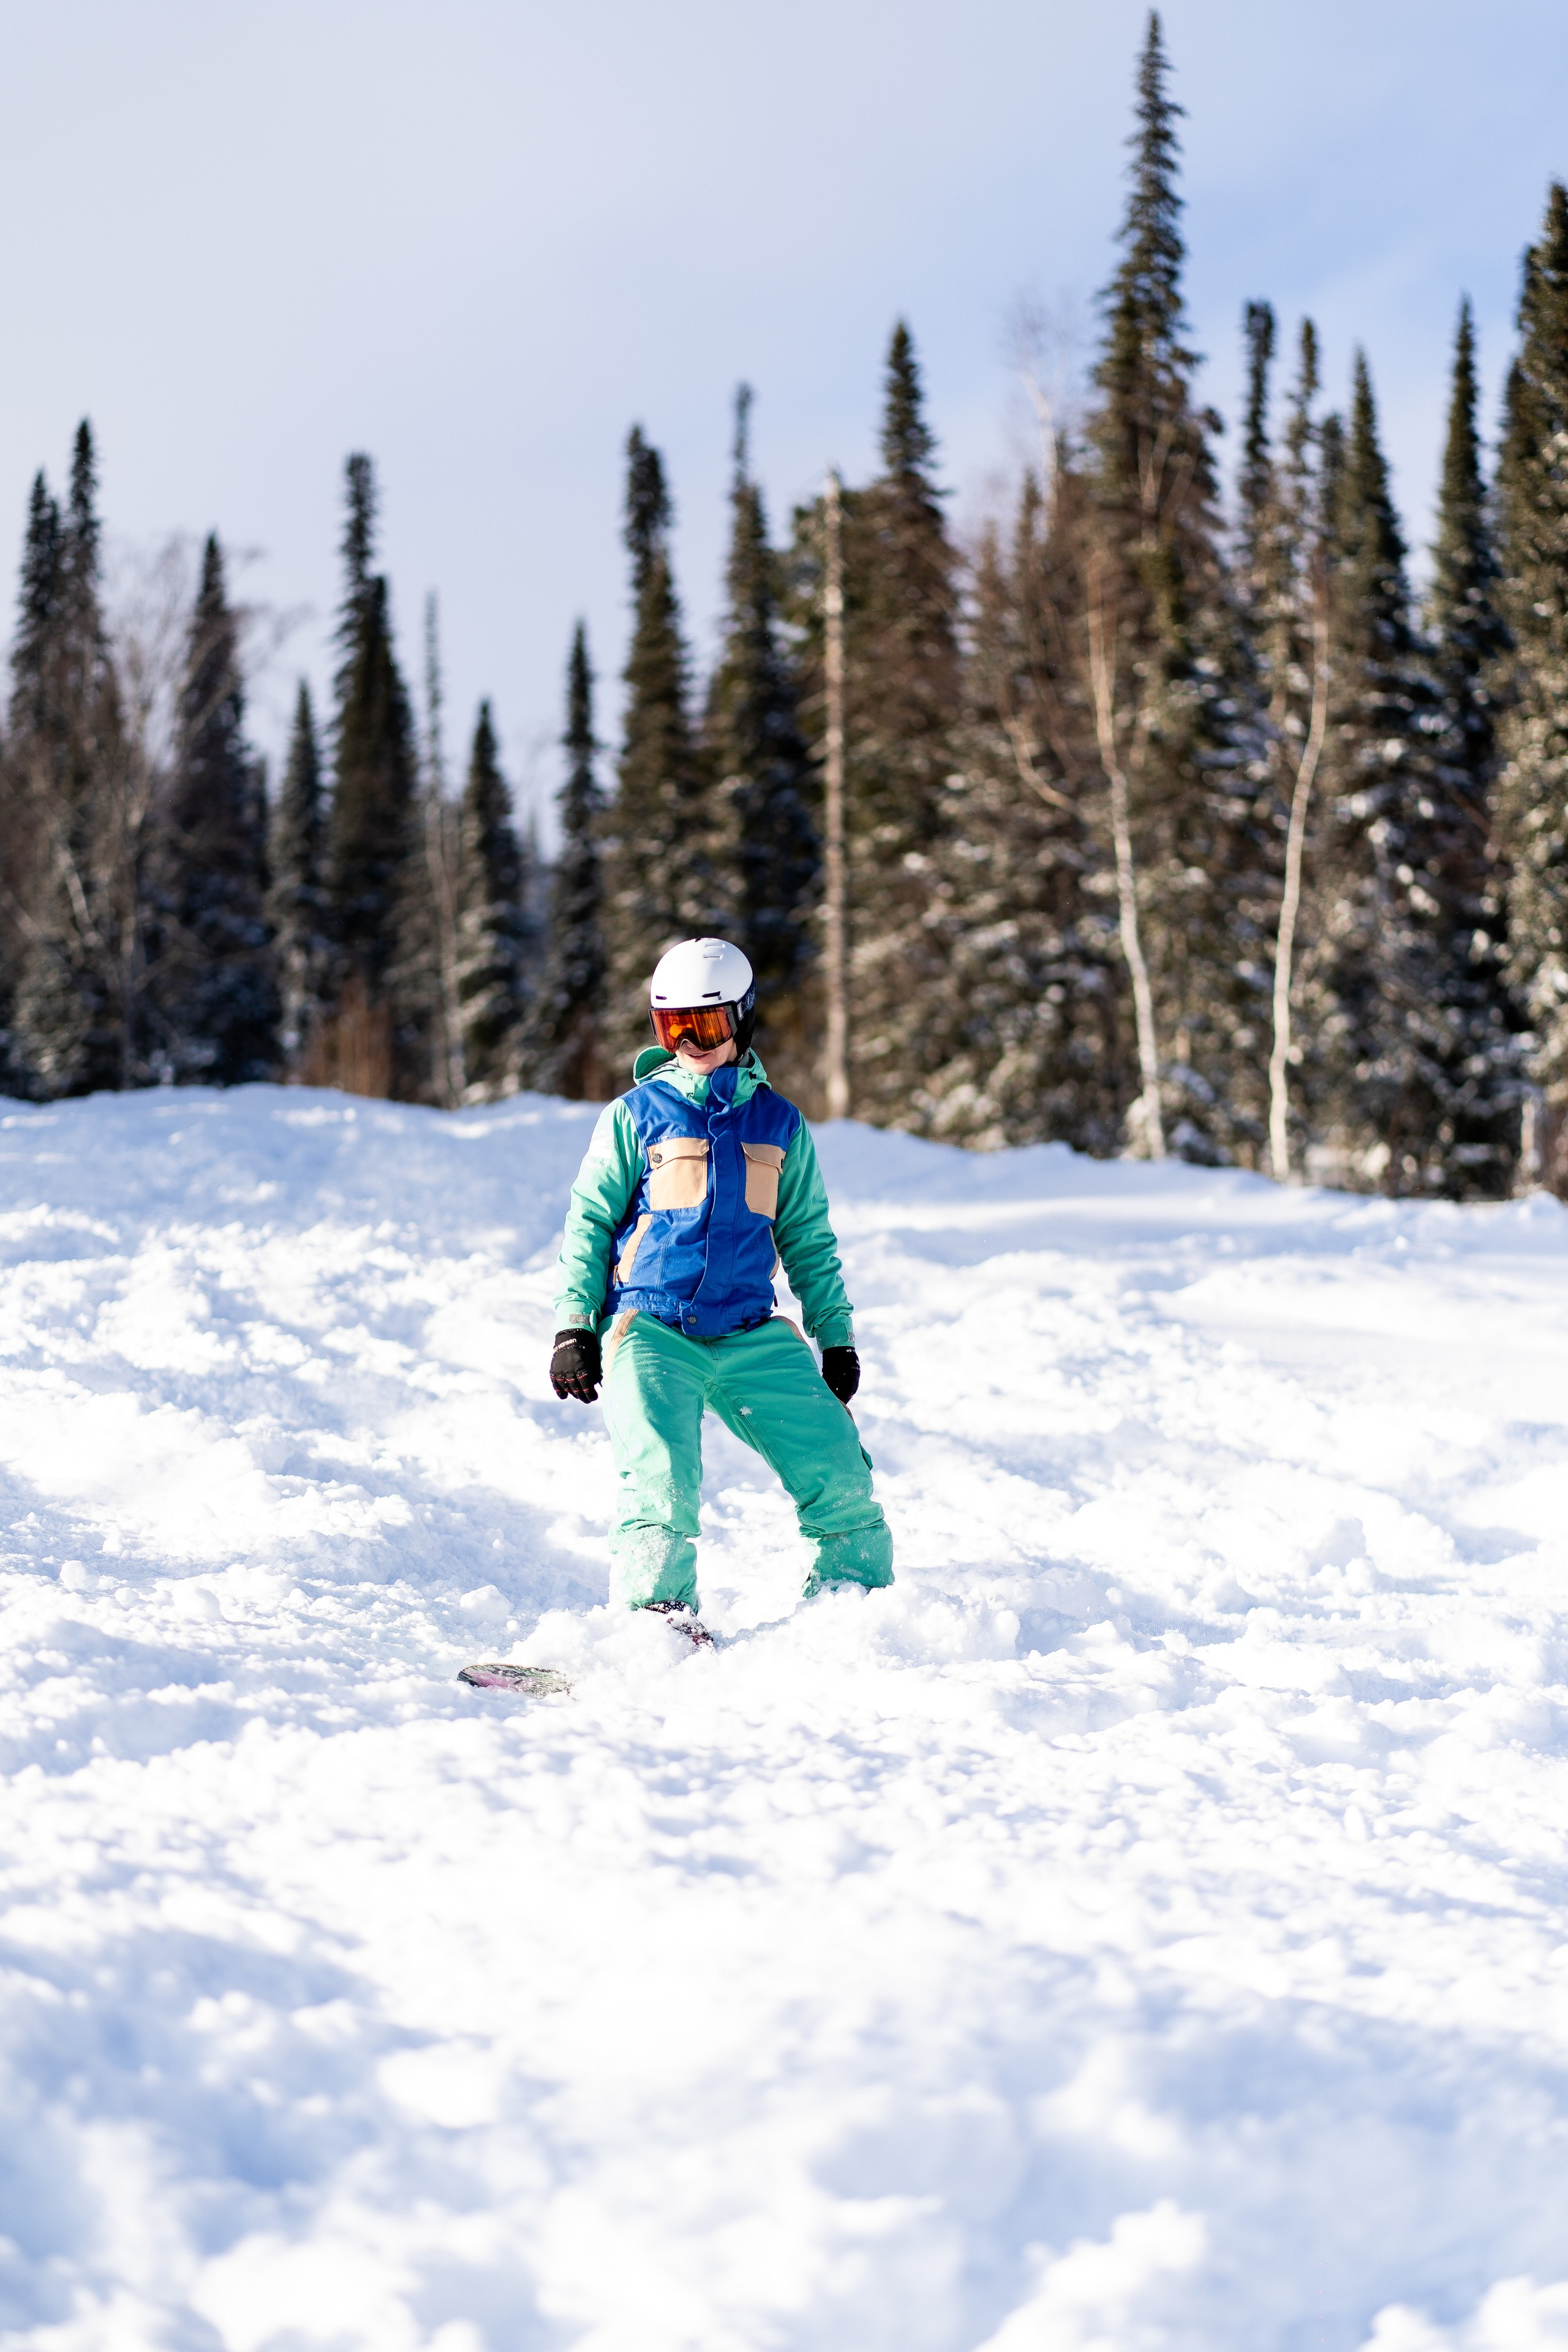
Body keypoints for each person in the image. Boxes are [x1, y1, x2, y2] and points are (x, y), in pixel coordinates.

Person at [549, 936, 894, 1629]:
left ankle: (851, 1609)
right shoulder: (635, 1116)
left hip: (751, 1334)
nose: (688, 1042)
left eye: (702, 1025)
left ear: (740, 1019)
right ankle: (658, 1617)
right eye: (670, 1026)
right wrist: (573, 1327)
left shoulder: (779, 1124)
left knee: (839, 1468)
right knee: (660, 1481)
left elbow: (808, 1241)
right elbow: (589, 1224)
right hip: (651, 1330)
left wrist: (838, 1341)